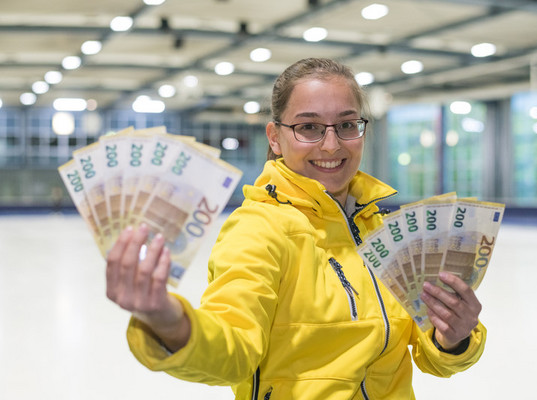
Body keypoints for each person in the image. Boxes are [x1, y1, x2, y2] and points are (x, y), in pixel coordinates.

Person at [106, 57, 486, 399]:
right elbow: (233, 350)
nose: (331, 145)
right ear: (275, 137)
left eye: (347, 124)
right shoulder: (258, 229)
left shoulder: (382, 231)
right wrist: (171, 322)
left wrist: (453, 337)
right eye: (309, 127)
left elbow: (433, 356)